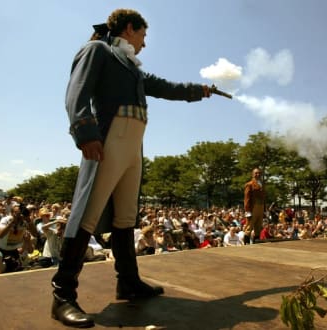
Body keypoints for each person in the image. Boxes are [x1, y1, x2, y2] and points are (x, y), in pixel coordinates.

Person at [51, 9, 215, 327]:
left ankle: (128, 282)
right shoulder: (98, 50)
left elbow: (167, 87)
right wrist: (85, 132)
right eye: (143, 36)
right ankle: (62, 297)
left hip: (133, 145)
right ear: (130, 29)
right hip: (109, 140)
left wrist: (200, 91)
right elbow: (76, 92)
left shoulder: (132, 68)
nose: (144, 43)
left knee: (126, 216)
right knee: (87, 214)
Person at [243, 168, 265, 244]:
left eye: (259, 173)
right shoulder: (249, 184)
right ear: (252, 174)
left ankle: (257, 244)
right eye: (256, 173)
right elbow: (247, 198)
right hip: (253, 207)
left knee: (258, 227)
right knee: (249, 226)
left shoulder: (262, 184)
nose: (258, 174)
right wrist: (247, 211)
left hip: (261, 206)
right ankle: (246, 244)